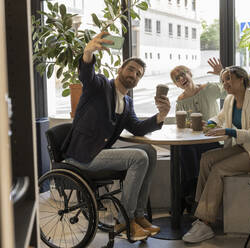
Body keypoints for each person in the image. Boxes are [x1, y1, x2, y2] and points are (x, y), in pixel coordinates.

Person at [62, 32, 171, 241]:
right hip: (83, 155)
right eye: (131, 69)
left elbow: (138, 128)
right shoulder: (101, 85)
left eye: (138, 74)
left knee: (149, 151)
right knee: (138, 157)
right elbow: (86, 76)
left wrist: (161, 115)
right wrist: (88, 52)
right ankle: (124, 220)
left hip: (100, 153)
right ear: (120, 70)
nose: (134, 75)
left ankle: (139, 216)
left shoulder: (127, 102)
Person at [182, 66, 250, 243]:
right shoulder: (230, 100)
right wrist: (209, 123)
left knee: (218, 169)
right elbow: (220, 117)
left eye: (229, 79)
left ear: (241, 80)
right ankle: (200, 212)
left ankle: (206, 223)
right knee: (207, 158)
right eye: (223, 80)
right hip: (243, 147)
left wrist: (227, 131)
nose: (225, 84)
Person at [170, 58, 226, 213]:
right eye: (177, 78)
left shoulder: (208, 88)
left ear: (190, 74)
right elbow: (181, 125)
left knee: (185, 153)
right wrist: (191, 125)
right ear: (176, 84)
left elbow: (229, 90)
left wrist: (222, 73)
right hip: (193, 142)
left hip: (212, 138)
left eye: (183, 74)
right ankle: (192, 193)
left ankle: (184, 198)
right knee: (183, 150)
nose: (181, 79)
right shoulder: (180, 101)